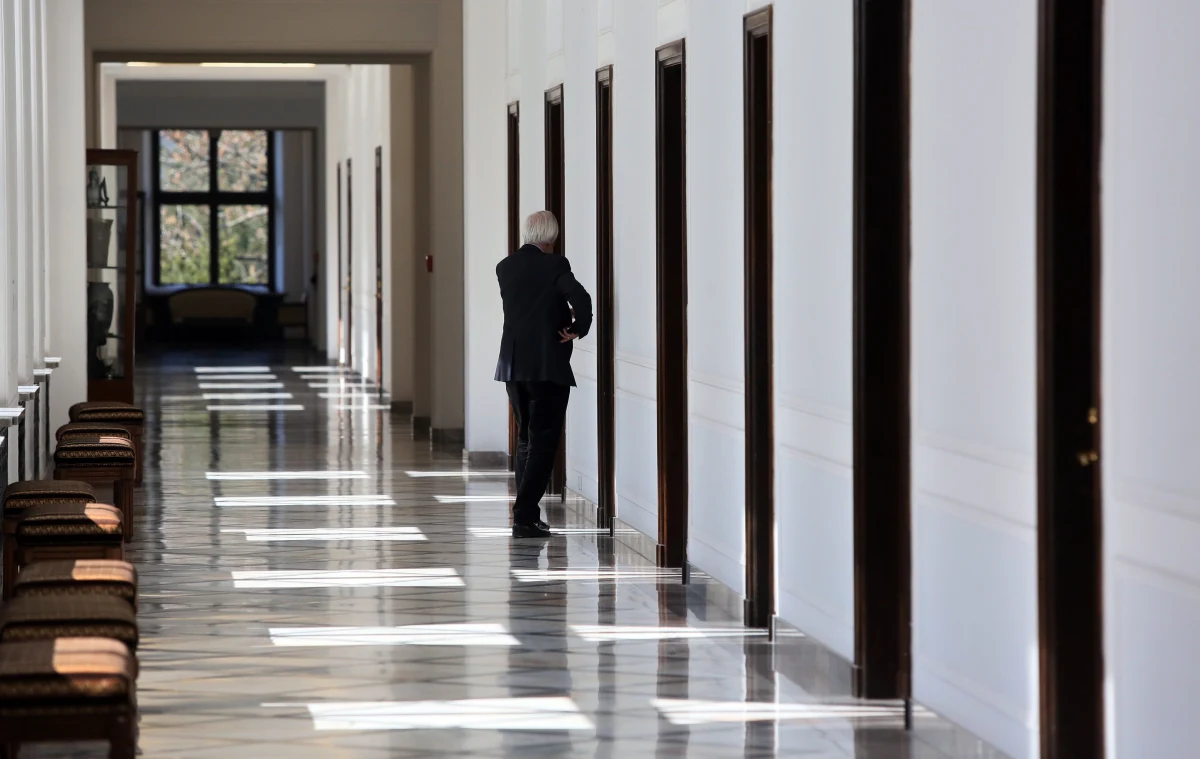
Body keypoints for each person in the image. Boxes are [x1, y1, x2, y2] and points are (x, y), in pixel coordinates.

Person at [495, 210, 593, 538]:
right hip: (547, 367)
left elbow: (530, 308)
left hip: (513, 366)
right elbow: (579, 297)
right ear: (550, 238)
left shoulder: (505, 267)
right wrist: (577, 328)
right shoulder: (555, 264)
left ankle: (526, 514)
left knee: (525, 438)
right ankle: (523, 515)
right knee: (543, 441)